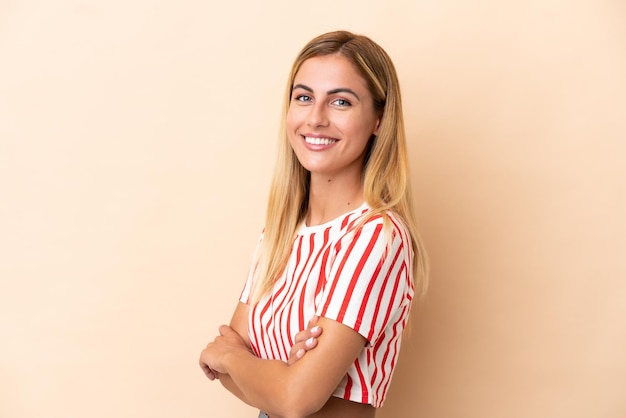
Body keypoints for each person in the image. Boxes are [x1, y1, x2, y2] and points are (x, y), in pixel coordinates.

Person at [199, 30, 428, 418]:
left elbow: (294, 400)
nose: (316, 119)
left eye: (340, 101)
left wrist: (233, 357)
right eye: (304, 98)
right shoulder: (279, 234)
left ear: (378, 119)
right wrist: (277, 373)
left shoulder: (376, 237)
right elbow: (244, 375)